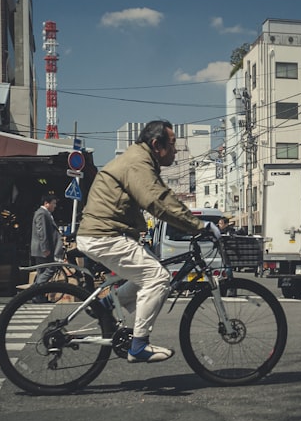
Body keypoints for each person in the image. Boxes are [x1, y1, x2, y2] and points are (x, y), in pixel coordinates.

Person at [76, 120, 223, 364]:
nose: (176, 150)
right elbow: (159, 201)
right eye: (173, 144)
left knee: (148, 275)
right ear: (157, 145)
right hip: (104, 235)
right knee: (158, 278)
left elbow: (160, 198)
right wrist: (201, 226)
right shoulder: (138, 163)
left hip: (104, 234)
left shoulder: (140, 160)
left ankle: (106, 305)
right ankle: (139, 345)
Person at [30, 192, 64, 303]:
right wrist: (45, 248)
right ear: (46, 203)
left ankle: (38, 296)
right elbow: (42, 232)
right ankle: (34, 290)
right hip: (42, 250)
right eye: (53, 203)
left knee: (42, 271)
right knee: (51, 268)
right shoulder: (41, 214)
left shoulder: (46, 213)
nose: (55, 206)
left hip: (43, 249)